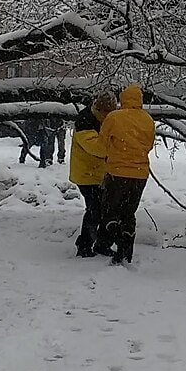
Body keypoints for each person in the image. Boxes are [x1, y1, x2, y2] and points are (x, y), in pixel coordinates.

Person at [97, 83, 156, 265]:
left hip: (117, 171)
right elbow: (149, 145)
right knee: (128, 212)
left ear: (122, 99)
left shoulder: (114, 117)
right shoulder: (148, 120)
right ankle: (127, 248)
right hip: (140, 174)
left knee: (109, 212)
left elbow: (102, 143)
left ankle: (120, 244)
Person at [69, 92, 116, 256]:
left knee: (105, 210)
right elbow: (98, 149)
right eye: (107, 114)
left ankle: (101, 244)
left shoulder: (104, 120)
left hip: (100, 174)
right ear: (101, 110)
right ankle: (85, 245)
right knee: (95, 210)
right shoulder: (85, 121)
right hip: (86, 175)